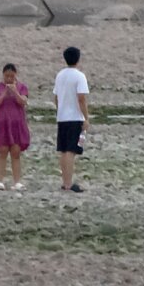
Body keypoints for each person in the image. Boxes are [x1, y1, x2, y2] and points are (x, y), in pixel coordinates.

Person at [0, 63, 31, 190]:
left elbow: (23, 102)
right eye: (7, 76)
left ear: (15, 75)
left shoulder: (22, 87)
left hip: (17, 123)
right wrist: (4, 93)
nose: (9, 79)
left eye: (12, 76)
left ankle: (17, 182)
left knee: (16, 152)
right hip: (2, 123)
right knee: (2, 151)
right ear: (3, 75)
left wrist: (15, 92)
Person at [54, 46, 90, 194]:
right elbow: (81, 98)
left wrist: (60, 110)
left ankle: (65, 181)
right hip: (74, 117)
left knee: (63, 150)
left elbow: (56, 97)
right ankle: (68, 183)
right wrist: (86, 117)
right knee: (71, 150)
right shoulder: (79, 76)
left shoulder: (60, 75)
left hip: (62, 117)